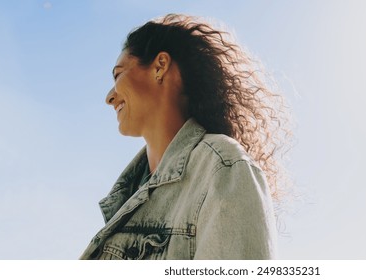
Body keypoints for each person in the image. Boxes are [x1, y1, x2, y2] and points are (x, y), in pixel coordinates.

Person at [80, 14, 292, 260]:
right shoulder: (127, 195)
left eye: (117, 75)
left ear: (160, 66)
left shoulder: (223, 167)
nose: (109, 97)